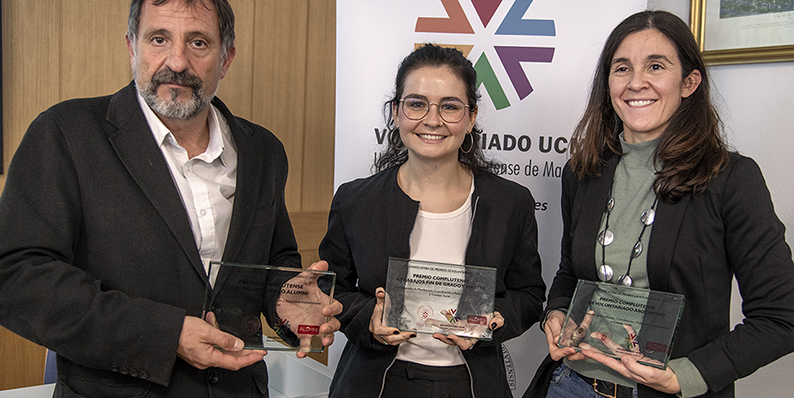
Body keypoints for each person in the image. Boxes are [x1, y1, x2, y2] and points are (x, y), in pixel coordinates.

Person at [0, 0, 341, 396]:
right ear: (132, 47)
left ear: (226, 58)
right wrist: (166, 335)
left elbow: (271, 262)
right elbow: (16, 276)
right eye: (159, 39)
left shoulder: (263, 150)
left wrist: (288, 301)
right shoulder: (65, 135)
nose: (177, 62)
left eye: (198, 43)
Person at [525, 10, 794, 398]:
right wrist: (556, 314)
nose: (636, 82)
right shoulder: (584, 172)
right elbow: (570, 273)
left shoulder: (731, 179)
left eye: (655, 66)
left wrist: (682, 376)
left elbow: (781, 316)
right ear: (608, 83)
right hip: (573, 385)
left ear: (689, 82)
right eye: (622, 69)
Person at [320, 44, 546, 398]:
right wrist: (369, 319)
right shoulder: (355, 200)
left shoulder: (510, 203)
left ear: (471, 118)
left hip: (473, 384)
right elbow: (332, 289)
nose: (432, 119)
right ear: (396, 112)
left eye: (450, 107)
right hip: (377, 382)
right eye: (416, 103)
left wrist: (495, 318)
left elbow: (530, 296)